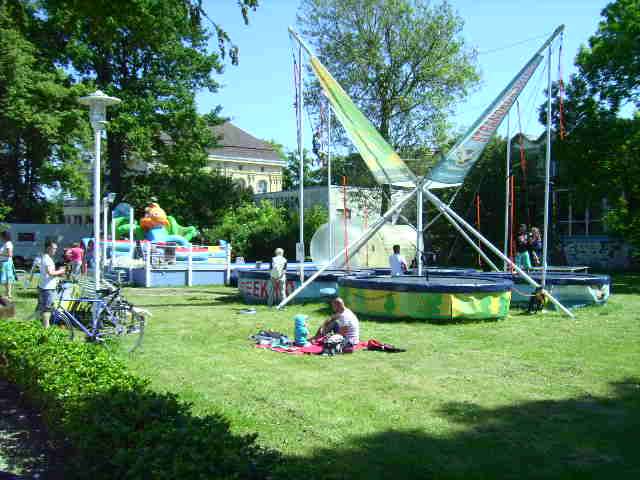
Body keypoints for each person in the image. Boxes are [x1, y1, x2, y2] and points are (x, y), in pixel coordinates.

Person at [37, 240, 66, 328]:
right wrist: (61, 271)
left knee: (42, 308)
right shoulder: (47, 259)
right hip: (47, 288)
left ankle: (38, 324)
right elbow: (50, 273)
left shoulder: (45, 258)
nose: (55, 250)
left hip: (44, 286)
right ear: (49, 248)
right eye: (54, 248)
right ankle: (46, 327)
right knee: (47, 309)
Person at [0, 231, 16, 299]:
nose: (0, 237)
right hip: (4, 262)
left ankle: (8, 293)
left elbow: (10, 254)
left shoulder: (8, 244)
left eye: (1, 236)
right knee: (5, 279)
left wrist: (0, 254)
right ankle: (7, 293)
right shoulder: (6, 243)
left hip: (6, 263)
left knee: (7, 278)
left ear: (4, 236)